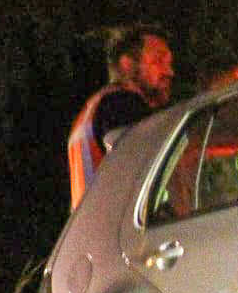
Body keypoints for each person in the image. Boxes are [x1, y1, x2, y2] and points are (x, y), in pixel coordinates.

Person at [67, 25, 174, 210]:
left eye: (170, 63)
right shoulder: (121, 105)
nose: (170, 72)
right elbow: (144, 174)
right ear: (127, 64)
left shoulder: (94, 110)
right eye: (158, 61)